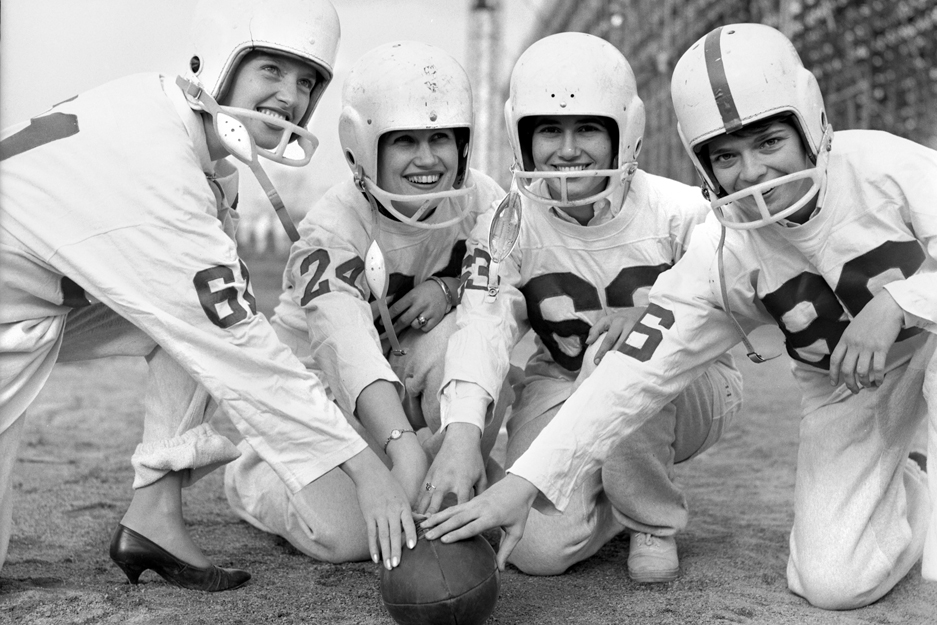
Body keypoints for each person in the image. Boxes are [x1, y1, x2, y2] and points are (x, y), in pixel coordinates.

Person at [424, 23, 936, 610]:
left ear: (811, 120)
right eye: (727, 156)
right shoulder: (723, 249)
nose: (752, 174)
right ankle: (910, 485)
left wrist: (902, 302)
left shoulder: (884, 164)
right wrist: (521, 482)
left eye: (770, 142)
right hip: (847, 385)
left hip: (928, 347)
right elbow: (633, 373)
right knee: (831, 583)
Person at [0, 0, 418, 592]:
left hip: (26, 303)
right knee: (218, 325)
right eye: (271, 69)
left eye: (306, 81)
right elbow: (242, 348)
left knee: (199, 317)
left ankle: (155, 517)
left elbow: (216, 318)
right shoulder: (161, 165)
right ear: (220, 59)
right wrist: (367, 472)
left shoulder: (178, 131)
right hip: (15, 311)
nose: (290, 96)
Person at [421, 32, 743, 583]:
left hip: (687, 385)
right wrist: (462, 434)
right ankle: (611, 496)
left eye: (587, 128)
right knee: (538, 552)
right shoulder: (506, 224)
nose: (567, 149)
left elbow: (736, 298)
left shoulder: (681, 210)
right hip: (562, 381)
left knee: (627, 357)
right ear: (522, 136)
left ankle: (651, 518)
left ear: (624, 131)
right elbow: (482, 325)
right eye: (550, 130)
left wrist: (657, 313)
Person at [222, 41, 507, 563]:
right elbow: (346, 345)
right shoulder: (333, 224)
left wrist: (449, 288)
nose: (427, 159)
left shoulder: (485, 201)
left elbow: (499, 308)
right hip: (323, 400)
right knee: (348, 537)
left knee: (467, 342)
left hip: (400, 379)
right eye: (404, 141)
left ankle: (440, 471)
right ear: (364, 146)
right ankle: (253, 476)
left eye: (440, 137)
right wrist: (403, 448)